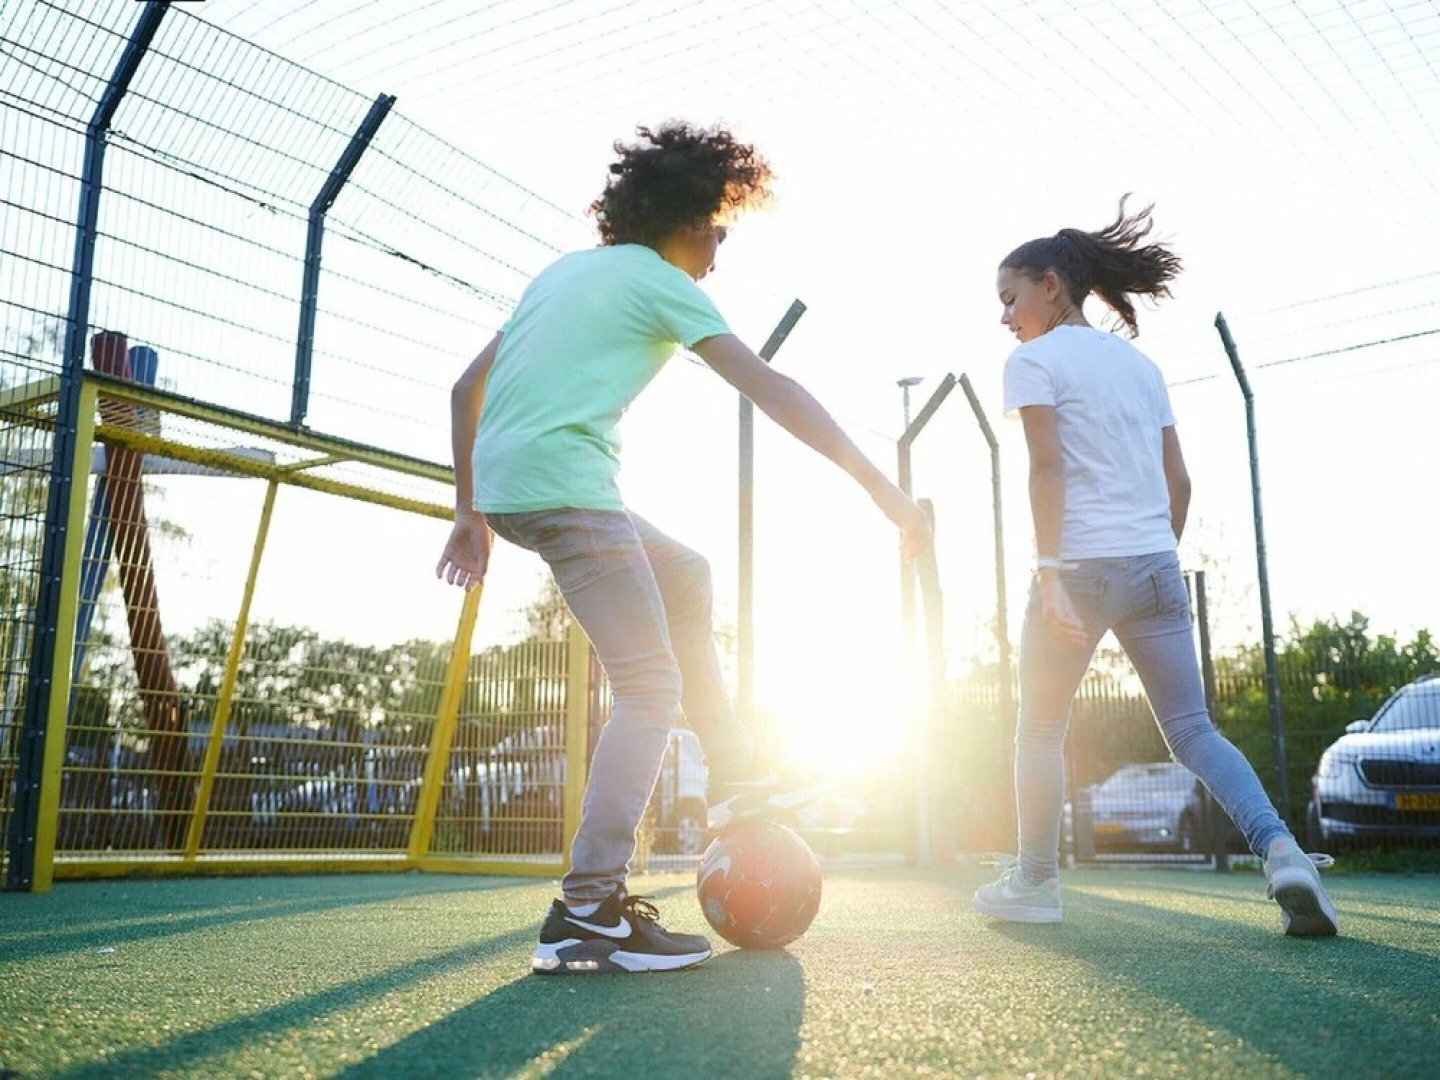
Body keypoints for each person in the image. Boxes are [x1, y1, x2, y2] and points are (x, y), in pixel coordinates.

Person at [436, 121, 931, 975]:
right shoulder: (662, 281)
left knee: (685, 573)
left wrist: (469, 512)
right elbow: (772, 390)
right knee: (650, 685)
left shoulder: (561, 273)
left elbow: (464, 386)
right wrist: (883, 491)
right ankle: (587, 907)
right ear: (688, 221)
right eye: (719, 226)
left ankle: (737, 774)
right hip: (566, 488)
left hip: (510, 488)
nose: (719, 244)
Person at [971, 197, 1338, 937]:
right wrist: (1155, 565)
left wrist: (1050, 574)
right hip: (1154, 568)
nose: (1005, 318)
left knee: (1040, 732)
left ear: (1050, 284)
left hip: (1076, 569)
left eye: (1010, 300)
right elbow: (1181, 483)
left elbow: (1047, 471)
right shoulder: (1139, 365)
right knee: (1194, 731)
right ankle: (1282, 850)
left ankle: (1036, 883)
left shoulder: (1032, 361)